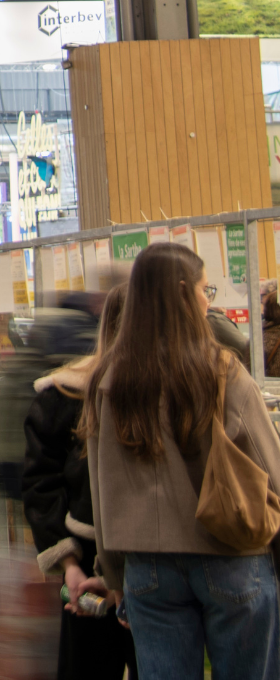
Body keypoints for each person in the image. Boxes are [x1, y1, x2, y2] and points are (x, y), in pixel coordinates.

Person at [82, 243, 280, 679]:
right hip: (231, 554)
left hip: (148, 567)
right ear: (181, 292)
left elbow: (101, 488)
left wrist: (114, 575)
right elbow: (272, 469)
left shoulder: (109, 380)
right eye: (204, 288)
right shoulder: (223, 371)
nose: (208, 299)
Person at [23, 283, 137, 680]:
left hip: (130, 566)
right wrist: (70, 561)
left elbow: (40, 480)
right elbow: (42, 480)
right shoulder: (66, 393)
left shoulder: (67, 391)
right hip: (109, 564)